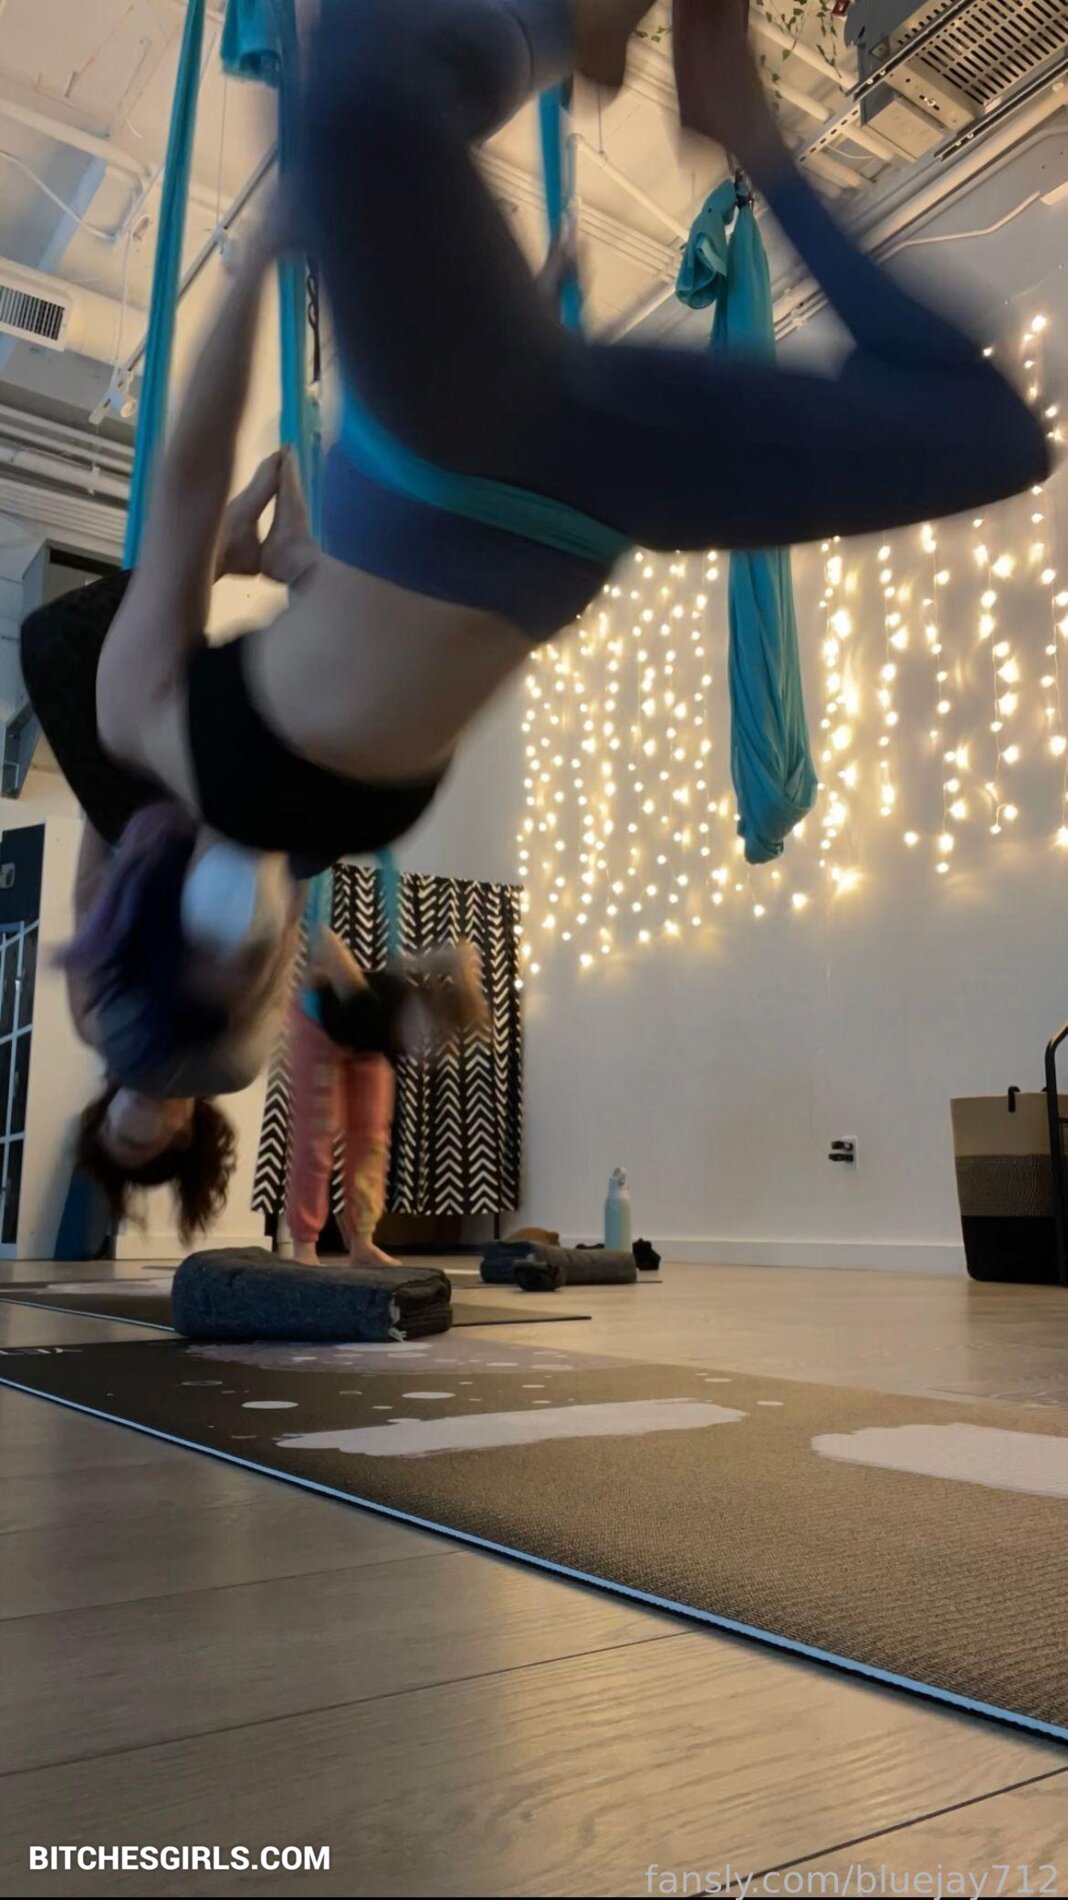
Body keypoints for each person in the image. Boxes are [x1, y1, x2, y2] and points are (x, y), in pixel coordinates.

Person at [22, 0, 1051, 1077]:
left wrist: (322, 321)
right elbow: (197, 491)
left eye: (227, 966)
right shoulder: (173, 742)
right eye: (251, 975)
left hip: (562, 482)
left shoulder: (172, 741)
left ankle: (707, 104)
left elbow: (248, 534)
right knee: (355, 81)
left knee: (988, 440)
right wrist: (256, 272)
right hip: (489, 452)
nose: (256, 947)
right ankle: (642, 68)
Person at [285, 929, 488, 1268]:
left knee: (372, 1140)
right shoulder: (372, 1006)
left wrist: (449, 963)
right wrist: (319, 953)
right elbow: (328, 945)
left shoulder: (408, 1007)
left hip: (367, 1044)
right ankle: (305, 1244)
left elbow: (459, 954)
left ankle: (362, 1242)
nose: (425, 1045)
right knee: (317, 1135)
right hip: (319, 1027)